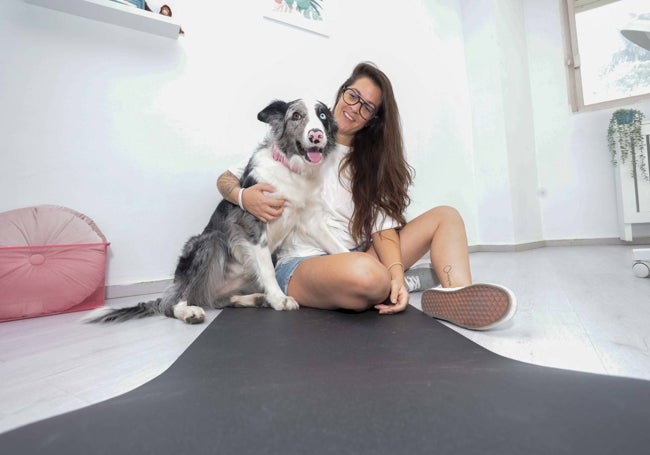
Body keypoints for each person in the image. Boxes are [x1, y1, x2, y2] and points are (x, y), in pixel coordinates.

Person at [216, 62, 516, 330]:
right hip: (302, 266)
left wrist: (395, 272)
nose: (355, 108)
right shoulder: (298, 138)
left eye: (367, 107)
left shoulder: (371, 163)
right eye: (353, 96)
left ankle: (455, 295)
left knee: (446, 217)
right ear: (342, 92)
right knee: (367, 275)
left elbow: (382, 228)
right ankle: (394, 283)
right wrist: (244, 197)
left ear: (373, 118)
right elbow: (225, 179)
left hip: (355, 256)